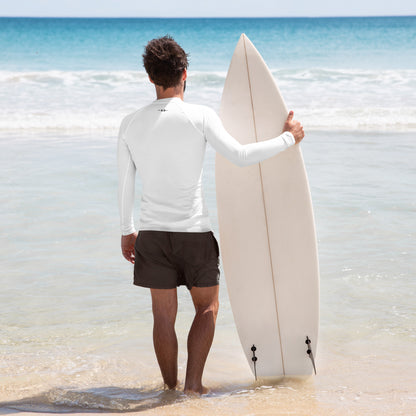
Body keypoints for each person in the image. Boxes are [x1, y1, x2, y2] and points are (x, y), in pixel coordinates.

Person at [117, 35, 304, 395]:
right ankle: (193, 386)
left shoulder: (130, 123)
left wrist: (127, 231)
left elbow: (125, 183)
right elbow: (240, 156)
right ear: (185, 73)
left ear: (150, 77)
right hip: (194, 234)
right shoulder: (200, 116)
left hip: (153, 235)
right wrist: (287, 139)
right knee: (207, 308)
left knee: (162, 316)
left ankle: (168, 388)